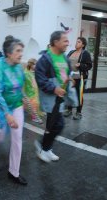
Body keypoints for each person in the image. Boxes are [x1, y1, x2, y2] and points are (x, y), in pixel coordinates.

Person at [0, 38, 27, 185]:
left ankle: (14, 172)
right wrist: (7, 114)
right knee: (0, 138)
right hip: (0, 108)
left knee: (17, 138)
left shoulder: (19, 67)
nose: (21, 54)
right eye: (18, 51)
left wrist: (24, 98)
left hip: (16, 105)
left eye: (22, 51)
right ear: (8, 53)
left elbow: (20, 85)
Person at [34, 31, 71, 163]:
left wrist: (69, 79)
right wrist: (54, 88)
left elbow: (65, 73)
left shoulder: (65, 57)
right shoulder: (45, 59)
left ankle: (46, 148)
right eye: (65, 40)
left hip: (60, 97)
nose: (68, 43)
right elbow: (40, 78)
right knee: (58, 124)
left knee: (53, 125)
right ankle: (43, 147)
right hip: (51, 98)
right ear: (55, 42)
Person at [64, 37, 92, 120]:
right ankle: (69, 110)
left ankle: (78, 112)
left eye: (79, 42)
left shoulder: (85, 53)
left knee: (79, 94)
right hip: (70, 78)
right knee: (69, 93)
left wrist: (81, 65)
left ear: (83, 45)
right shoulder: (71, 52)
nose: (76, 43)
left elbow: (89, 66)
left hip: (80, 78)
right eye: (76, 41)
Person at [23, 58, 43, 124]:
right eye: (35, 64)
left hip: (34, 91)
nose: (36, 66)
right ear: (31, 65)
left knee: (34, 104)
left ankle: (34, 116)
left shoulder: (34, 72)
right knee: (32, 104)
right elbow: (25, 83)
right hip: (29, 91)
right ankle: (35, 118)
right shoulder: (26, 73)